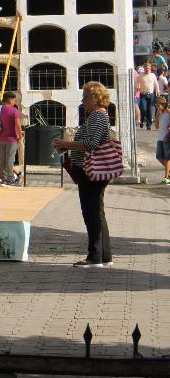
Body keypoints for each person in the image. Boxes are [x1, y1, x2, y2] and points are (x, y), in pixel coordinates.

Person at [52, 82, 113, 268]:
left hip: (89, 170)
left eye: (86, 97)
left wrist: (66, 144)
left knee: (91, 213)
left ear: (95, 98)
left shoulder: (97, 116)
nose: (82, 101)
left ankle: (94, 257)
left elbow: (92, 143)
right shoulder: (99, 115)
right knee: (97, 212)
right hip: (90, 170)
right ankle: (104, 255)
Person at [0, 91, 22, 186]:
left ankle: (2, 178)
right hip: (12, 139)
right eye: (14, 100)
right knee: (10, 160)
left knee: (2, 159)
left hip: (1, 138)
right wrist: (20, 137)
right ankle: (11, 180)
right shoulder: (14, 111)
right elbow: (18, 125)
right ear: (10, 99)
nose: (14, 102)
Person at [137, 62, 159, 130]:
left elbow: (156, 84)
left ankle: (148, 125)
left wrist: (157, 91)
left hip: (151, 94)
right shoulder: (140, 75)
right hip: (143, 94)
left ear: (150, 68)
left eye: (148, 68)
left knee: (149, 110)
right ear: (143, 68)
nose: (147, 69)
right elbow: (136, 83)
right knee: (143, 109)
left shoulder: (153, 75)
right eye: (146, 68)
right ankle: (142, 120)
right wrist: (137, 88)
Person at [154, 94, 170, 183]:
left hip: (166, 137)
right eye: (156, 106)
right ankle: (168, 172)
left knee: (167, 158)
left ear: (163, 104)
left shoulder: (168, 112)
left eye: (158, 105)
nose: (157, 107)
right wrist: (157, 116)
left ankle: (166, 177)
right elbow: (156, 126)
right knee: (159, 156)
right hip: (160, 137)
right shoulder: (159, 113)